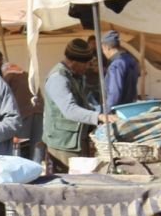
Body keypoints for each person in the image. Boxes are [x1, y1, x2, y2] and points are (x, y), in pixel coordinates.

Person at [42, 38, 117, 170]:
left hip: (76, 140)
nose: (88, 67)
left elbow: (81, 104)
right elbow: (70, 109)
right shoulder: (58, 78)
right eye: (86, 63)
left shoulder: (74, 76)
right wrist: (98, 117)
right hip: (63, 144)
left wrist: (97, 110)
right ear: (73, 61)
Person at [0, 48, 45, 162]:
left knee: (21, 148)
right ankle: (37, 171)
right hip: (39, 110)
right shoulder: (24, 73)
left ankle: (22, 175)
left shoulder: (7, 77)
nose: (0, 62)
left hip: (24, 113)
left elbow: (0, 98)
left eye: (0, 60)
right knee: (37, 146)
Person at [101, 30, 139, 108]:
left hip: (120, 110)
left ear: (107, 48)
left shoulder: (116, 65)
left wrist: (107, 112)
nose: (103, 52)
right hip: (131, 106)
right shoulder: (130, 59)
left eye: (102, 49)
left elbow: (114, 93)